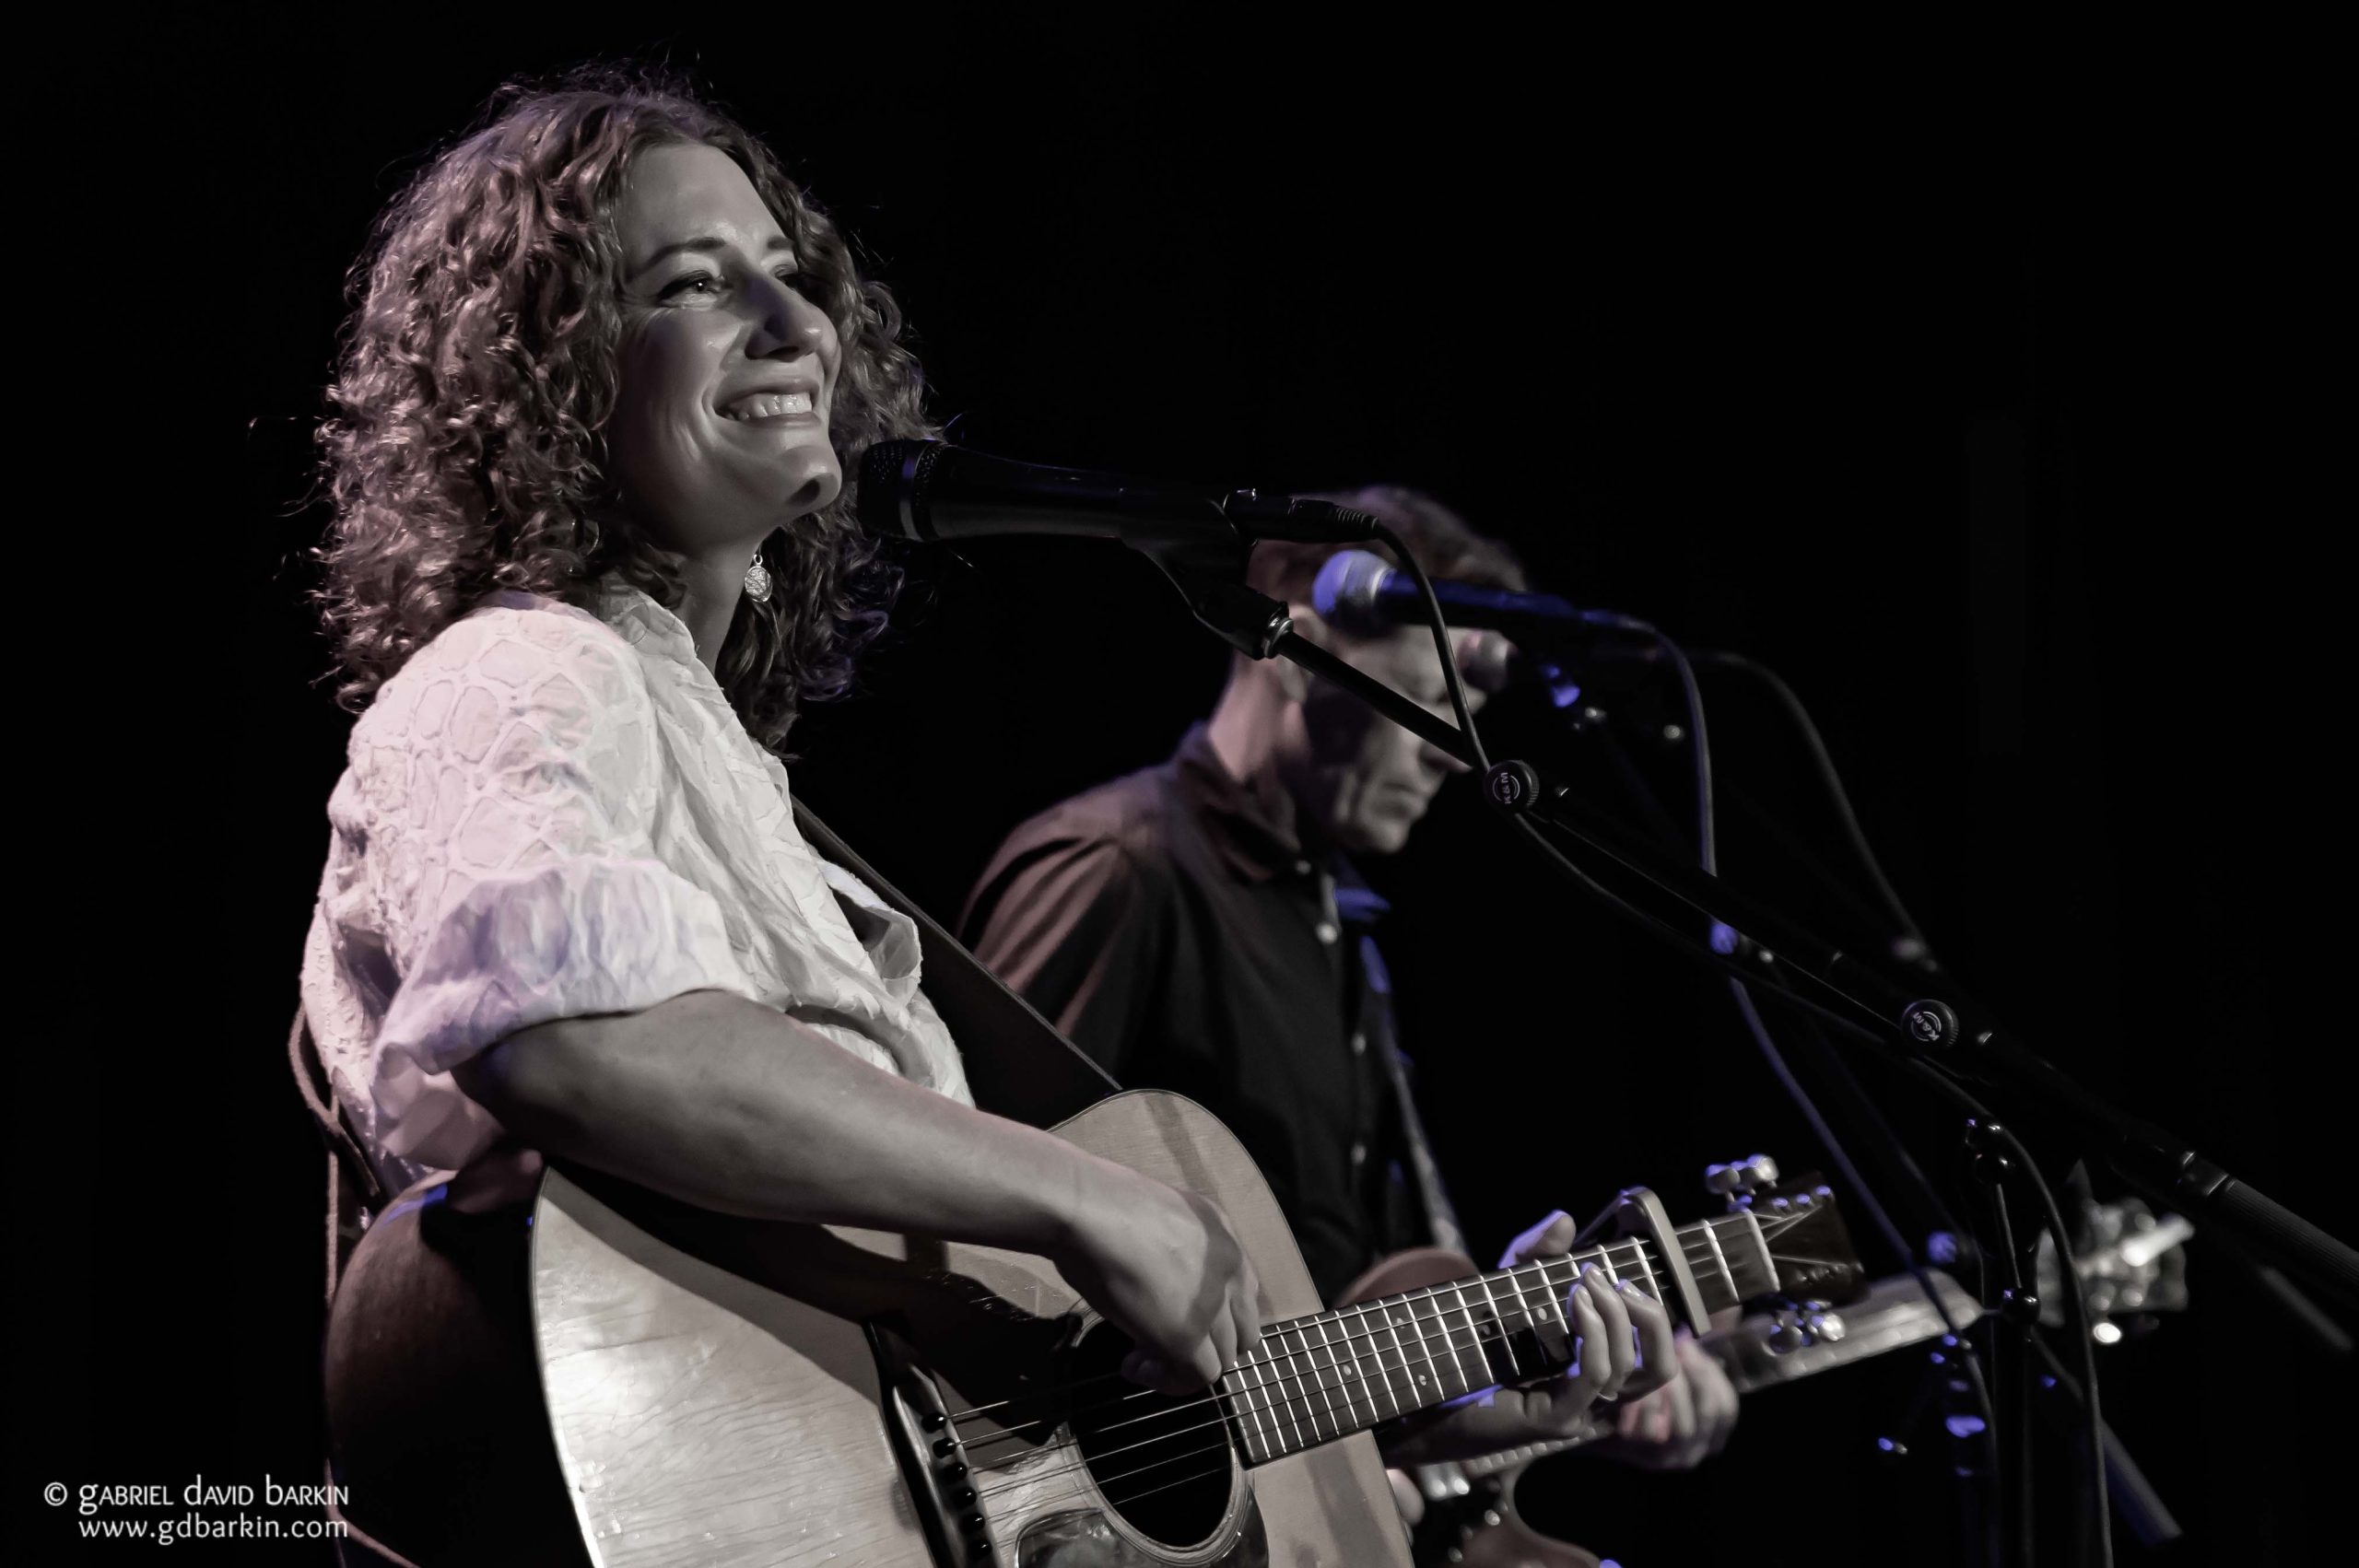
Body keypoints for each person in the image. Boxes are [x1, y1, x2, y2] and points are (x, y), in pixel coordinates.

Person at [299, 67, 1674, 1562]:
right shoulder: (522, 665)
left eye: (793, 273)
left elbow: (1030, 1404)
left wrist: (1423, 1395)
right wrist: (1082, 1199)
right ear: (545, 375)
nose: (797, 324)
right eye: (696, 282)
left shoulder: (722, 766)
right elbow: (575, 1032)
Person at [962, 491, 1741, 1474]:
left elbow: (1331, 1377)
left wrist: (1539, 1386)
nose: (1453, 754)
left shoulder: (1339, 922)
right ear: (1292, 656)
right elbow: (964, 1232)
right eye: (1434, 699)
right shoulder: (1123, 864)